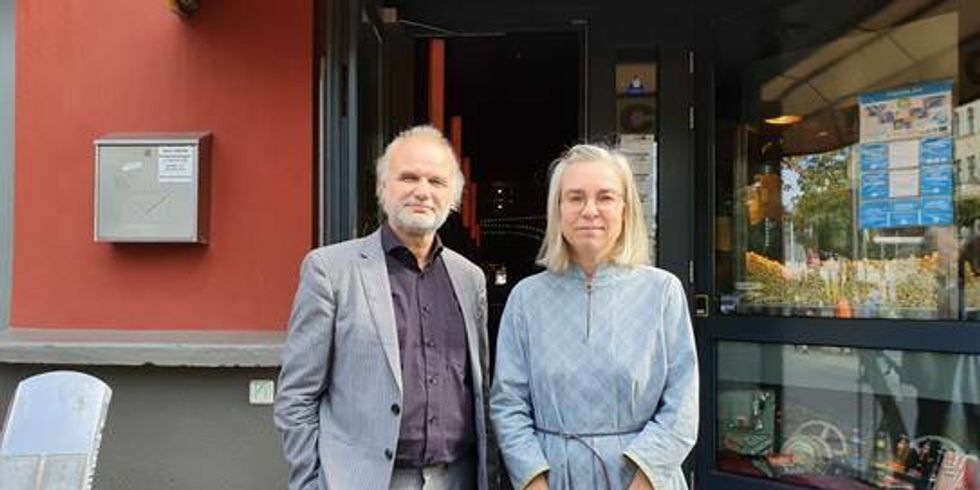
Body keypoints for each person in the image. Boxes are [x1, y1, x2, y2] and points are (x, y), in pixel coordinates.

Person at [274, 125, 491, 490]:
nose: (422, 191)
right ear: (382, 188)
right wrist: (311, 482)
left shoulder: (469, 279)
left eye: (436, 182)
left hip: (458, 477)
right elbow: (296, 397)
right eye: (408, 177)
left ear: (453, 196)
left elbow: (479, 388)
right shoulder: (331, 271)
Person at [490, 144, 699, 490]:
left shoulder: (663, 292)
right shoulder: (526, 299)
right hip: (552, 479)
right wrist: (534, 482)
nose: (590, 210)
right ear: (557, 210)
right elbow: (508, 405)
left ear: (626, 209)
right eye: (575, 198)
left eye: (605, 197)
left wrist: (644, 481)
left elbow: (683, 405)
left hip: (643, 480)